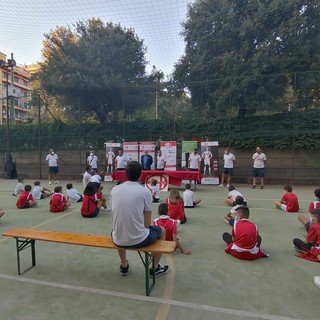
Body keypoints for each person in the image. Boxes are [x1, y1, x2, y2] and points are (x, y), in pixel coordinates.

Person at [110, 161, 169, 277]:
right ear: (140, 174)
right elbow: (147, 224)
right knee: (162, 230)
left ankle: (124, 265)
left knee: (118, 229)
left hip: (118, 239)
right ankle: (155, 267)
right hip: (139, 240)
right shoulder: (145, 192)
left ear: (125, 174)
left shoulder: (114, 190)